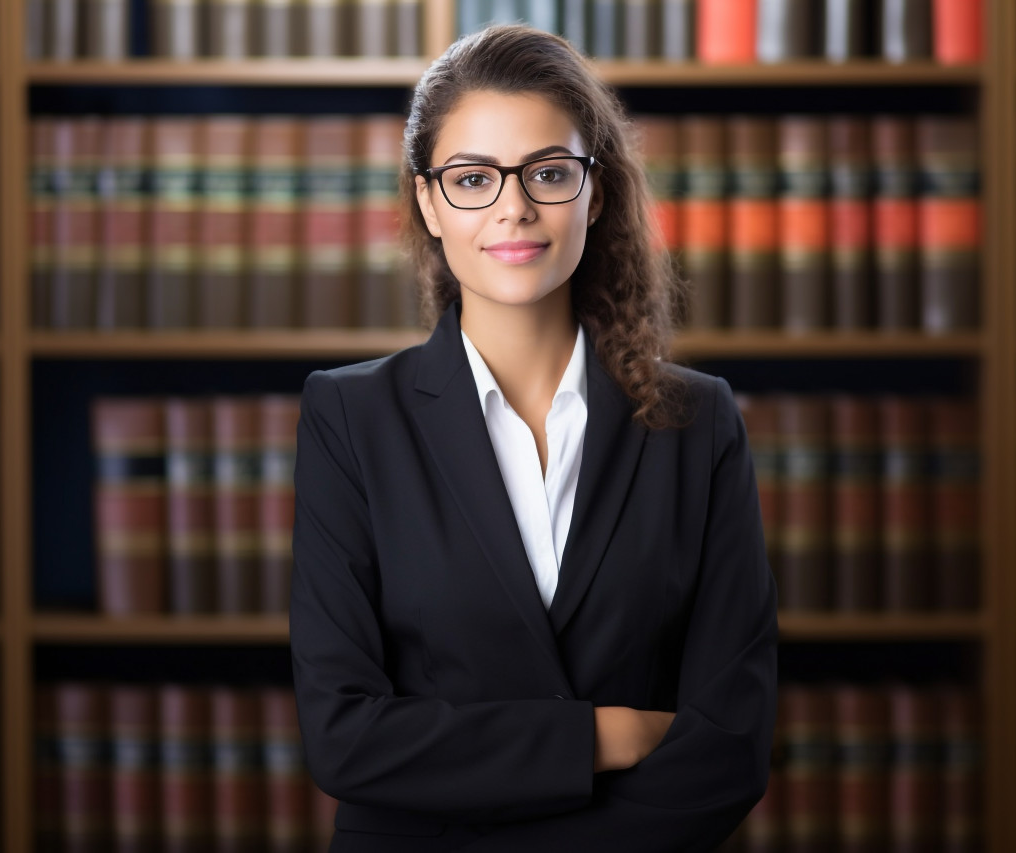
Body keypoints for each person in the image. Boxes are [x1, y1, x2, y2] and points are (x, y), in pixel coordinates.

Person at [289, 23, 777, 853]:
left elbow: (729, 742)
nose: (514, 206)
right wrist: (604, 736)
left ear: (595, 192)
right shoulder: (350, 417)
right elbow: (347, 737)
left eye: (549, 172)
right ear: (429, 203)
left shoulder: (699, 422)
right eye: (473, 178)